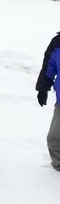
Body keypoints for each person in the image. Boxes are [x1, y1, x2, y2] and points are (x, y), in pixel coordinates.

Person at [36, 31, 60, 170]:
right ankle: (58, 167)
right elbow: (49, 67)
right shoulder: (58, 42)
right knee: (54, 139)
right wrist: (43, 88)